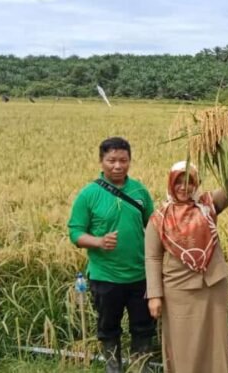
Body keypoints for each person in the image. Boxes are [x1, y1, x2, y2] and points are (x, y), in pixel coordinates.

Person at [67, 137, 155, 373]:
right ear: (101, 161)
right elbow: (75, 232)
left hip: (140, 275)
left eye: (123, 160)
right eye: (112, 160)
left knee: (143, 327)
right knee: (108, 328)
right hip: (105, 277)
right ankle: (113, 368)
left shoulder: (139, 191)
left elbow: (154, 225)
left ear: (130, 161)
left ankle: (140, 367)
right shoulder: (88, 195)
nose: (117, 166)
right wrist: (98, 241)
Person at [145, 161, 228, 373]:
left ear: (197, 183)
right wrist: (154, 296)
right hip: (179, 292)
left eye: (189, 181)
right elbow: (153, 258)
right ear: (170, 183)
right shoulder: (159, 218)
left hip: (212, 286)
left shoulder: (208, 204)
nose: (184, 187)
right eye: (178, 182)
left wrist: (221, 154)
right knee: (183, 345)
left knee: (215, 342)